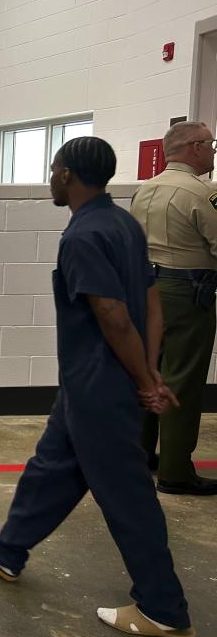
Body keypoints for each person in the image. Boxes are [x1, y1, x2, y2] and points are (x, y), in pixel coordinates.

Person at [0, 137, 195, 637]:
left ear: (67, 176)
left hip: (99, 386)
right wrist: (151, 371)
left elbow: (112, 316)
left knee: (127, 495)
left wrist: (141, 381)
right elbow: (152, 303)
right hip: (90, 385)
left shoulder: (83, 237)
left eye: (53, 169)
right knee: (52, 468)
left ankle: (163, 608)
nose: (50, 178)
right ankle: (8, 549)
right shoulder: (124, 224)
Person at [131, 121, 217, 496]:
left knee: (150, 372)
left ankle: (141, 455)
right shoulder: (202, 193)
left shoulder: (144, 190)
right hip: (188, 293)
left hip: (146, 289)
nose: (213, 151)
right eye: (211, 144)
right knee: (182, 378)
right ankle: (176, 471)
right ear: (195, 148)